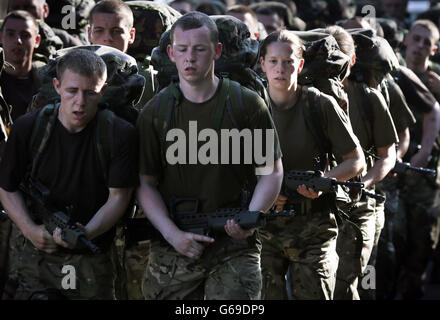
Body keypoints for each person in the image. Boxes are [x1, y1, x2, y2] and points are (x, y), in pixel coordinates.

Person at [137, 11, 283, 300]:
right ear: (171, 53)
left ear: (216, 51)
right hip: (175, 244)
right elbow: (145, 183)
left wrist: (252, 216)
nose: (190, 58)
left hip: (234, 245)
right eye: (182, 50)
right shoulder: (156, 112)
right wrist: (172, 235)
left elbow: (271, 170)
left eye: (199, 49)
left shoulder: (246, 104)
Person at [0, 48, 139, 300]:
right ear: (57, 86)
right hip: (36, 255)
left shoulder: (119, 134)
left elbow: (119, 197)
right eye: (72, 91)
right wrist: (30, 229)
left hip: (93, 255)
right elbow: (7, 189)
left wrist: (87, 234)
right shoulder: (29, 127)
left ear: (103, 92)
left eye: (90, 93)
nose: (80, 102)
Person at [258, 30, 365, 300]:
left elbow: (356, 160)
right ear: (262, 64)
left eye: (288, 61)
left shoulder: (319, 104)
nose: (280, 69)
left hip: (313, 227)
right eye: (273, 61)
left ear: (301, 64)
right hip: (263, 230)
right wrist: (266, 194)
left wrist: (324, 181)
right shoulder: (251, 107)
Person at [325, 26, 399, 300]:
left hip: (358, 207)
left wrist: (365, 181)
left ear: (351, 60)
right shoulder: (309, 97)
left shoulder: (367, 97)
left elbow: (387, 154)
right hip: (319, 209)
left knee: (345, 286)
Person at [0, 10, 41, 122]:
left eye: (25, 35)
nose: (18, 41)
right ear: (0, 37)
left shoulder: (48, 82)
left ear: (37, 40)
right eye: (10, 34)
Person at [8, 0, 84, 47]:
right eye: (16, 8)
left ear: (45, 9)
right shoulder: (3, 39)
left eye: (29, 7)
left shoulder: (64, 40)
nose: (22, 13)